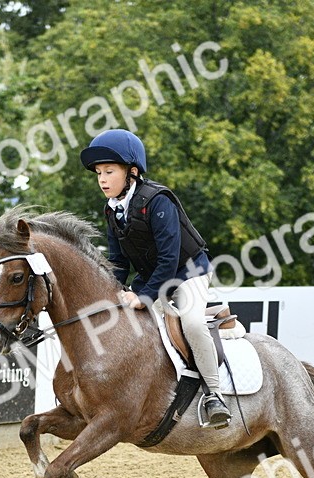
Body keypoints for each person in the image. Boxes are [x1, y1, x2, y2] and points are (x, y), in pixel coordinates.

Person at [79, 129, 230, 428]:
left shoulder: (158, 201)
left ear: (132, 172)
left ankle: (215, 394)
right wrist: (109, 292)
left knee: (193, 323)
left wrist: (143, 296)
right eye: (99, 173)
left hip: (188, 272)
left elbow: (169, 259)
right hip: (153, 276)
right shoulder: (112, 210)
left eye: (109, 171)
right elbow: (119, 262)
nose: (102, 179)